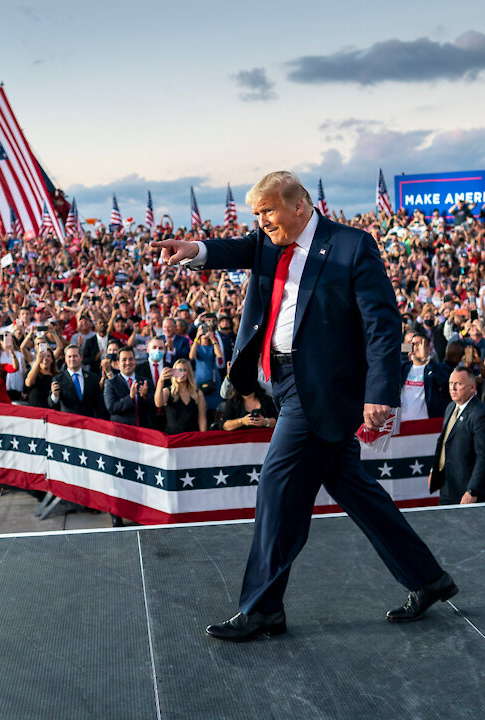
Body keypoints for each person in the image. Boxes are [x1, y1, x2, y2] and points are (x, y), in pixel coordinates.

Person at [154, 171, 455, 641]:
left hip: (323, 391)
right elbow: (234, 249)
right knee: (355, 490)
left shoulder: (352, 246)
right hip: (282, 383)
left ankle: (262, 609)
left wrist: (380, 392)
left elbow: (382, 325)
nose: (261, 221)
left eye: (268, 211)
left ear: (299, 206)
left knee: (276, 489)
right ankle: (428, 578)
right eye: (256, 214)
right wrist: (194, 249)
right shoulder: (267, 240)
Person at [428, 367, 485, 504]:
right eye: (451, 383)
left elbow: (484, 456)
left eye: (458, 384)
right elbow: (444, 442)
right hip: (448, 486)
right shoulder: (451, 407)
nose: (453, 388)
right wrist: (434, 470)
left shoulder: (481, 415)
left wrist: (473, 490)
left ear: (472, 387)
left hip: (468, 491)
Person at [103, 346, 154, 427]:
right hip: (122, 430)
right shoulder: (111, 383)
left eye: (131, 359)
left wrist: (145, 396)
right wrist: (130, 398)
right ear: (118, 363)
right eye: (124, 360)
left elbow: (154, 406)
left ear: (135, 361)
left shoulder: (145, 382)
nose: (128, 362)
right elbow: (111, 407)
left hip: (143, 429)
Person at [155, 359, 207, 433]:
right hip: (173, 436)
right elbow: (158, 403)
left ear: (189, 373)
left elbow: (202, 418)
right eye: (178, 371)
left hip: (192, 436)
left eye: (184, 370)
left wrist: (203, 437)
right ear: (173, 372)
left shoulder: (198, 394)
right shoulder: (167, 391)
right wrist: (161, 381)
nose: (181, 373)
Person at [51, 345, 103, 417]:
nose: (72, 359)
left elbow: (99, 404)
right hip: (68, 421)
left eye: (75, 356)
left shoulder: (92, 378)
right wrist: (55, 396)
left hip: (88, 421)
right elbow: (51, 404)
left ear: (81, 358)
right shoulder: (58, 379)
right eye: (69, 356)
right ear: (65, 359)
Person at [23, 342, 58, 409]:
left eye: (48, 356)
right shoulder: (33, 373)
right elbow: (28, 383)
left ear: (52, 360)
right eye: (43, 356)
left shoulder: (57, 376)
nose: (45, 359)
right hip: (35, 409)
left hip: (51, 409)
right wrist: (37, 361)